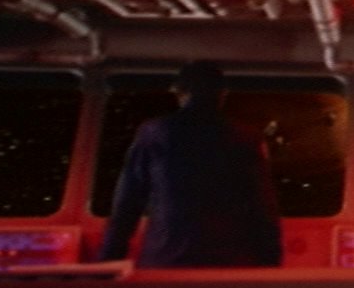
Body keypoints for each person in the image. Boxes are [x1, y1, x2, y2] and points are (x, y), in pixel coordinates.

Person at [99, 61, 283, 268]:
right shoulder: (245, 138)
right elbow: (263, 205)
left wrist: (110, 257)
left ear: (179, 92)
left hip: (166, 257)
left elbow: (128, 201)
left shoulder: (155, 133)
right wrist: (271, 261)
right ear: (222, 94)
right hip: (228, 260)